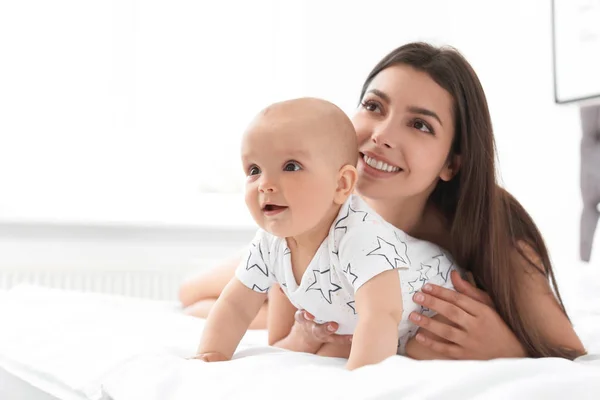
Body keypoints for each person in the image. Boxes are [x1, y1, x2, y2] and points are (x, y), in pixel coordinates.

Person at [181, 42, 586, 360]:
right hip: (318, 274)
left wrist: (507, 347)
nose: (381, 135)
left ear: (452, 162)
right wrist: (294, 327)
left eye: (420, 125)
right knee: (191, 295)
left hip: (349, 288)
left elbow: (571, 350)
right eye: (374, 106)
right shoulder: (324, 200)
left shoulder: (491, 234)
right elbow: (263, 323)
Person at [194, 98, 459, 370]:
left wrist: (358, 382)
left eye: (291, 167)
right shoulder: (269, 242)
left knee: (422, 348)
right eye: (254, 170)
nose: (265, 184)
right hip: (362, 323)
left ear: (341, 184)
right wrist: (211, 353)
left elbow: (381, 315)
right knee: (328, 351)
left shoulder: (361, 237)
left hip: (432, 308)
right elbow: (236, 306)